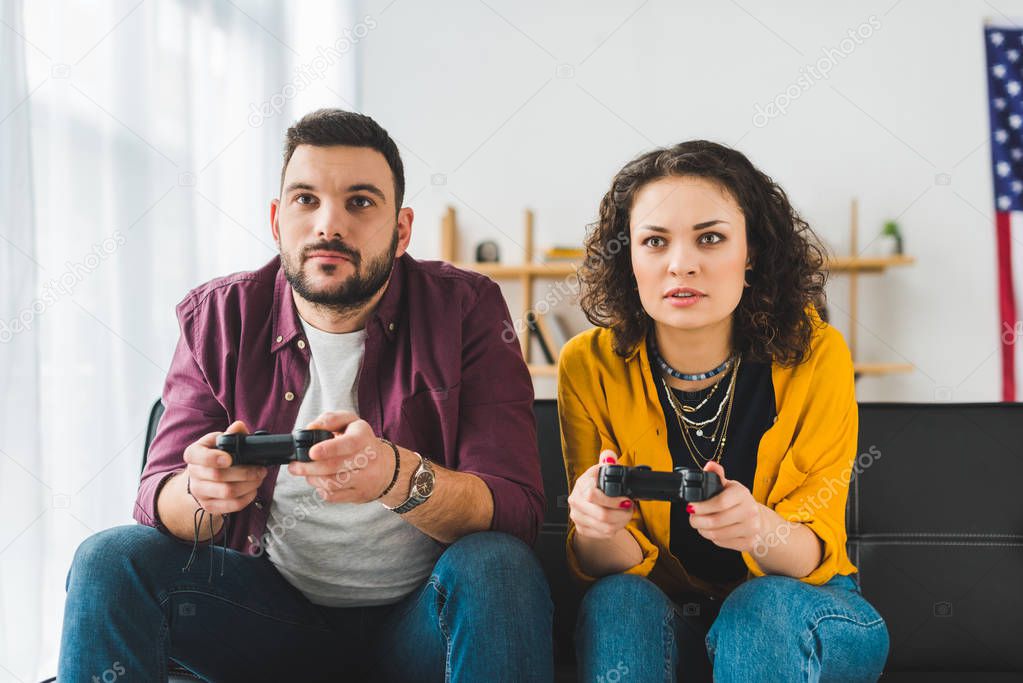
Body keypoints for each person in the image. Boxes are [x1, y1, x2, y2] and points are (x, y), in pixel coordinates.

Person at [59, 109, 553, 682]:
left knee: (497, 564)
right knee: (107, 560)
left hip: (424, 623)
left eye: (361, 202)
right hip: (267, 620)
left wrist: (397, 477)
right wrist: (202, 491)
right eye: (305, 200)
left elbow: (515, 511)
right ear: (276, 219)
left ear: (401, 229)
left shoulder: (467, 309)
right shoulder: (218, 317)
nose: (329, 224)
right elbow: (155, 501)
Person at [558, 140, 889, 681]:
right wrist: (597, 526)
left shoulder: (818, 354)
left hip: (806, 610)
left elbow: (810, 557)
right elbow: (603, 568)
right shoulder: (588, 364)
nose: (681, 264)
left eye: (710, 238)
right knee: (617, 600)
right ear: (630, 257)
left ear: (751, 251)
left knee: (757, 608)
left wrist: (757, 527)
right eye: (655, 241)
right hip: (669, 618)